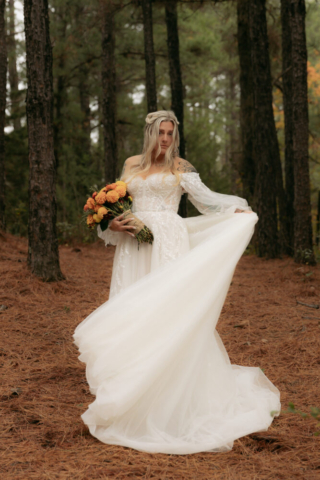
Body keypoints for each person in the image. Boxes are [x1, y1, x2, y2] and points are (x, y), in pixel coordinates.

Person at [74, 110, 280, 455]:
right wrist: (110, 224)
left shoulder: (180, 168)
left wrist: (235, 214)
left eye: (170, 133)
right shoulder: (132, 165)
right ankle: (129, 388)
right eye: (161, 133)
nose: (166, 139)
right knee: (132, 311)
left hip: (167, 240)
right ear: (150, 134)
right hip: (133, 245)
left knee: (167, 310)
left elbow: (207, 201)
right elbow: (115, 204)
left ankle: (169, 393)